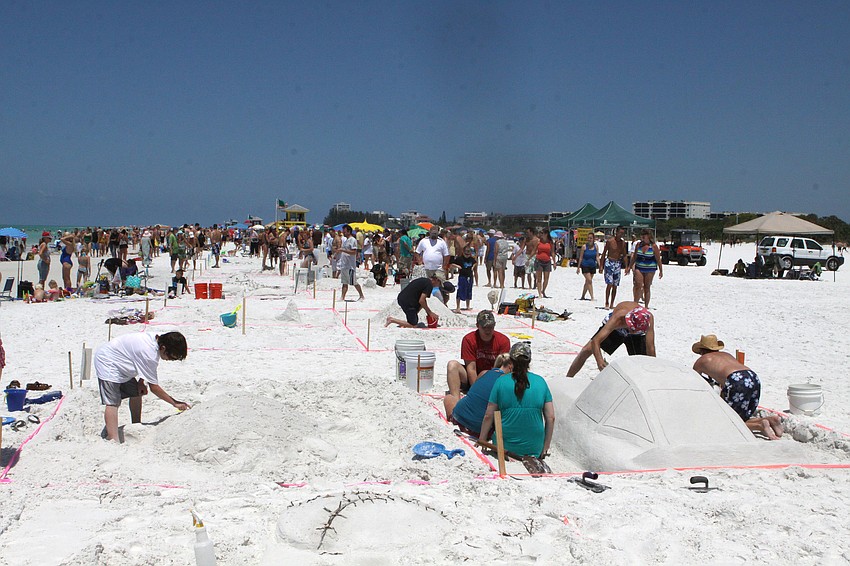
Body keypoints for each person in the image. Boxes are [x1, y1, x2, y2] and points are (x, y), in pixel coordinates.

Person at [95, 331, 191, 442]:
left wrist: (141, 382)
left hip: (123, 362)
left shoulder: (157, 339)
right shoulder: (149, 353)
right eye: (171, 357)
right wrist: (175, 403)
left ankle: (136, 425)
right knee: (113, 402)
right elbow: (154, 387)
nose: (170, 360)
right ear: (163, 348)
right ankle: (113, 438)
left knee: (136, 392)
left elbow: (141, 362)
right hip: (107, 361)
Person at [691, 335, 783, 440]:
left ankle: (761, 426)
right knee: (740, 418)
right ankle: (771, 420)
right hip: (752, 376)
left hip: (736, 380)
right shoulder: (726, 355)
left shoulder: (702, 360)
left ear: (701, 351)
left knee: (729, 421)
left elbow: (695, 380)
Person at [479, 342, 555, 458]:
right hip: (534, 448)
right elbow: (551, 418)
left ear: (511, 360)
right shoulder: (541, 382)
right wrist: (545, 447)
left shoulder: (501, 381)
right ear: (529, 361)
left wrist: (482, 440)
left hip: (504, 447)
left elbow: (488, 415)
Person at [566, 301, 655, 377]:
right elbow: (596, 341)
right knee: (586, 350)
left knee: (643, 361)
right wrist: (599, 361)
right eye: (631, 329)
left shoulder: (648, 318)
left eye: (634, 330)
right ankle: (568, 379)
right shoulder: (618, 318)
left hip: (637, 334)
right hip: (616, 329)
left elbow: (651, 348)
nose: (631, 331)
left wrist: (654, 369)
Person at [445, 310, 511, 396]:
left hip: (493, 379)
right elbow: (471, 368)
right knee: (452, 365)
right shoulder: (469, 339)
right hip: (472, 378)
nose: (487, 330)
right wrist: (476, 391)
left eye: (490, 327)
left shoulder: (503, 341)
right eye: (484, 327)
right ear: (477, 326)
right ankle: (455, 399)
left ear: (494, 325)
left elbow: (503, 369)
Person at [444, 353, 512, 436]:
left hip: (459, 418)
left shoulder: (484, 373)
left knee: (448, 397)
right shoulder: (508, 382)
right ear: (510, 367)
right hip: (481, 429)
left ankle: (452, 417)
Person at [384, 273, 455, 328]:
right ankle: (391, 320)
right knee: (413, 325)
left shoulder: (425, 280)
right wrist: (430, 313)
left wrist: (426, 313)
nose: (439, 286)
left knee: (419, 308)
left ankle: (405, 323)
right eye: (439, 283)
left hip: (404, 298)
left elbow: (422, 301)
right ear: (436, 280)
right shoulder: (429, 285)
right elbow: (421, 300)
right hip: (407, 301)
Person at [630, 229, 663, 308]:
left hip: (650, 268)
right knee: (638, 285)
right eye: (641, 235)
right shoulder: (638, 245)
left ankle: (646, 306)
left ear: (648, 236)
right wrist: (629, 266)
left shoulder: (654, 246)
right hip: (639, 267)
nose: (642, 237)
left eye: (644, 235)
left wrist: (661, 270)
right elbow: (634, 257)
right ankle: (635, 304)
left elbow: (658, 259)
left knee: (647, 287)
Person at [599, 226, 628, 309]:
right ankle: (607, 302)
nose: (621, 234)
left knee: (615, 285)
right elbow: (604, 253)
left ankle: (612, 303)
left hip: (618, 263)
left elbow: (625, 255)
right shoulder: (610, 241)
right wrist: (601, 266)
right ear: (616, 232)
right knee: (609, 284)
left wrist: (626, 267)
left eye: (623, 233)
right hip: (609, 262)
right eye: (620, 233)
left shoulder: (622, 243)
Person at [339, 225, 365, 301]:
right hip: (344, 264)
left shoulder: (352, 240)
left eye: (344, 232)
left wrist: (343, 250)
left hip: (350, 266)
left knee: (353, 282)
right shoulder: (345, 240)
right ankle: (342, 297)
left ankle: (361, 295)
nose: (343, 233)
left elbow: (354, 252)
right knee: (344, 282)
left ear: (349, 231)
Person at [450, 245, 476, 311]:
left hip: (470, 276)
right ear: (463, 252)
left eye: (468, 253)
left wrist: (473, 267)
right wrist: (457, 266)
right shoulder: (460, 259)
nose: (467, 254)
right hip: (462, 277)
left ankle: (468, 306)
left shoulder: (471, 259)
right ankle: (458, 307)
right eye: (466, 253)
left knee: (469, 291)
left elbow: (475, 262)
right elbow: (451, 264)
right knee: (460, 290)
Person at [577, 232, 599, 301]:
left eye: (591, 238)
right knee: (589, 281)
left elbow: (597, 257)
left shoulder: (596, 246)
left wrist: (600, 265)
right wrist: (578, 267)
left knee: (587, 282)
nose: (589, 239)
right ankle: (592, 297)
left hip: (593, 266)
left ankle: (583, 296)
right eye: (588, 238)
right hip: (585, 265)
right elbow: (580, 257)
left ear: (593, 239)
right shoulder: (584, 247)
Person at [535, 230, 553, 298]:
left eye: (542, 233)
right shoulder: (538, 242)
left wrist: (554, 262)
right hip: (539, 261)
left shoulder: (550, 242)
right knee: (539, 278)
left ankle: (543, 291)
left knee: (546, 279)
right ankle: (539, 293)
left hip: (547, 261)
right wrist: (529, 258)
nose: (541, 234)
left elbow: (553, 252)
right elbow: (534, 250)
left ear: (546, 234)